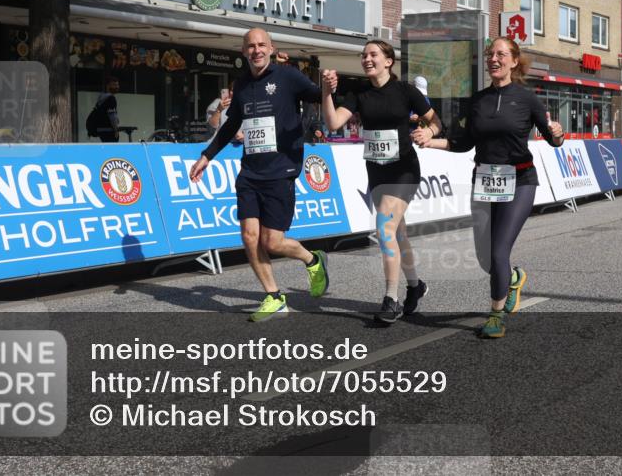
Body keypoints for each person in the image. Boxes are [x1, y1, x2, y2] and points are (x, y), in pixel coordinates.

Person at [414, 37, 564, 339]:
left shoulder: (527, 99)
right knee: (486, 259)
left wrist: (558, 134)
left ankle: (496, 315)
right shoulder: (477, 100)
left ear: (513, 61)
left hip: (520, 181)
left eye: (501, 54)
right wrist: (431, 142)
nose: (493, 58)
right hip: (483, 182)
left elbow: (553, 139)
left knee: (498, 253)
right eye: (490, 54)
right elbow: (462, 141)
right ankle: (514, 278)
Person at [189, 28, 328, 322]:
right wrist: (207, 155)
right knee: (250, 237)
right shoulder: (241, 86)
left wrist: (329, 86)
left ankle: (312, 259)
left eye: (261, 45)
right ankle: (274, 297)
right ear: (243, 52)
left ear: (271, 48)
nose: (256, 50)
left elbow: (317, 95)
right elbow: (230, 126)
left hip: (281, 170)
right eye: (251, 46)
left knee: (273, 242)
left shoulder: (287, 77)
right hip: (250, 171)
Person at [320, 41, 441, 323]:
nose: (367, 59)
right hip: (376, 170)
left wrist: (429, 133)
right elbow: (334, 123)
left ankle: (391, 298)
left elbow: (436, 120)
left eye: (373, 54)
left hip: (404, 170)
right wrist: (327, 92)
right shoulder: (359, 94)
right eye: (363, 55)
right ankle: (415, 286)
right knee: (398, 234)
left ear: (389, 61)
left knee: (384, 228)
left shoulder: (405, 91)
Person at [89, 76, 120, 142]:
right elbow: (112, 116)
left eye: (117, 85)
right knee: (112, 150)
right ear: (108, 86)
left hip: (101, 130)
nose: (117, 87)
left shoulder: (101, 98)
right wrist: (116, 130)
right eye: (114, 85)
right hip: (108, 130)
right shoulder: (111, 98)